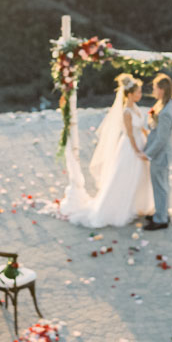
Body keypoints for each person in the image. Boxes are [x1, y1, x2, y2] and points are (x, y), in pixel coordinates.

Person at [68, 73, 154, 228]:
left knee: (140, 176)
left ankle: (136, 205)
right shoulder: (126, 112)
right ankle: (118, 209)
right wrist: (137, 151)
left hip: (141, 142)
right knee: (125, 176)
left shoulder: (136, 108)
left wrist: (150, 137)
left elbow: (141, 128)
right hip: (130, 146)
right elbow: (129, 133)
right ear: (130, 94)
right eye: (138, 92)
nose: (140, 94)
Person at [141, 73, 172, 231]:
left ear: (162, 89)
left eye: (155, 88)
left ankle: (161, 219)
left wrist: (147, 153)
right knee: (162, 185)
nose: (153, 91)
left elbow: (162, 139)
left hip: (160, 155)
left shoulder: (166, 112)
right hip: (161, 153)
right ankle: (161, 212)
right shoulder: (168, 103)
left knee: (160, 186)